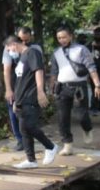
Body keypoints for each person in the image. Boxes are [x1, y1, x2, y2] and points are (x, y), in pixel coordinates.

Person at [4, 35, 59, 169]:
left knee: (29, 126)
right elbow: (20, 81)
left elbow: (38, 72)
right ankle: (31, 160)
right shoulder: (22, 57)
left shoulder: (32, 53)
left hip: (31, 97)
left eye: (9, 49)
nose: (9, 52)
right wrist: (16, 100)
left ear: (14, 45)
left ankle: (50, 146)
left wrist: (40, 91)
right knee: (24, 130)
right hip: (21, 99)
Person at [49, 26, 100, 156]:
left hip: (78, 87)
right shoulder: (56, 52)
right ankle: (67, 145)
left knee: (82, 115)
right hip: (62, 88)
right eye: (59, 38)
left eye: (64, 37)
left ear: (70, 36)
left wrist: (97, 85)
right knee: (62, 118)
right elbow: (53, 72)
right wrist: (51, 88)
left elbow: (91, 67)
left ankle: (87, 128)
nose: (61, 40)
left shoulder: (81, 49)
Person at [2, 27, 43, 151]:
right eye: (22, 40)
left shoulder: (34, 50)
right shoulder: (9, 49)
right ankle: (22, 141)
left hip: (30, 87)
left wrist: (40, 90)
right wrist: (8, 89)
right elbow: (7, 70)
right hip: (17, 85)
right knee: (15, 114)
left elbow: (39, 70)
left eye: (26, 40)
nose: (24, 43)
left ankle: (46, 146)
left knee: (28, 120)